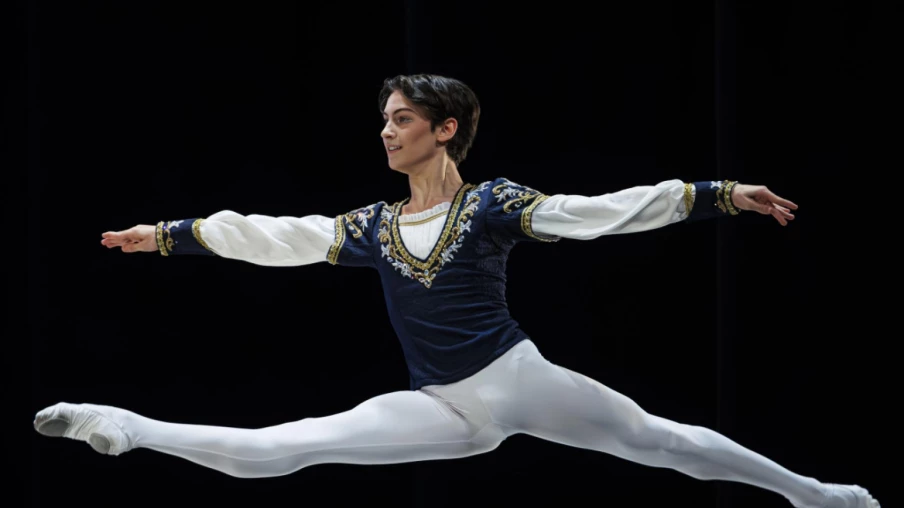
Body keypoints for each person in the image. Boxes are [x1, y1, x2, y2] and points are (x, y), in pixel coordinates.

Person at [34, 74, 877, 508]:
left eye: (401, 118)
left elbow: (599, 214)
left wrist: (715, 193)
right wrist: (174, 236)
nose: (386, 131)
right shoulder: (371, 224)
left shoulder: (494, 204)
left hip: (519, 379)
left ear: (445, 128)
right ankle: (129, 427)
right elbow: (276, 233)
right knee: (288, 446)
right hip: (440, 405)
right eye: (385, 119)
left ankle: (814, 495)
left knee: (668, 444)